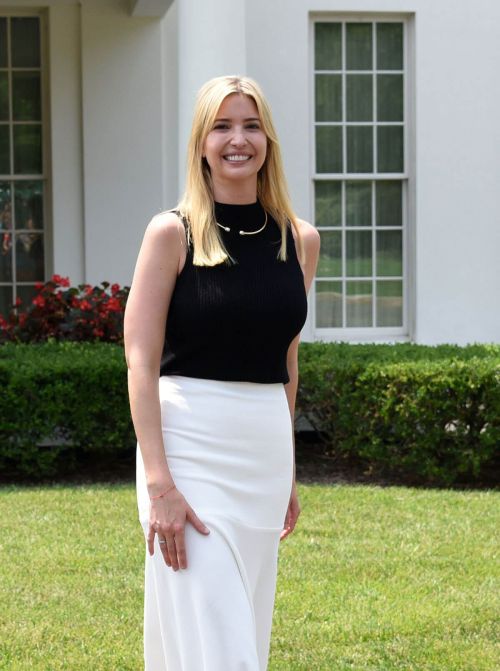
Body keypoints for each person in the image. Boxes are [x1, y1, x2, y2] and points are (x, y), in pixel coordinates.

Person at [124, 74, 320, 670]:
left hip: (261, 451)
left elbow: (285, 361)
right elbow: (139, 358)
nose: (240, 139)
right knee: (216, 634)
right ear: (201, 143)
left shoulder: (300, 240)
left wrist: (287, 467)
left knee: (243, 626)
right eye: (223, 125)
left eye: (252, 124)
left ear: (269, 140)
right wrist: (160, 484)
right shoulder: (172, 233)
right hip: (187, 447)